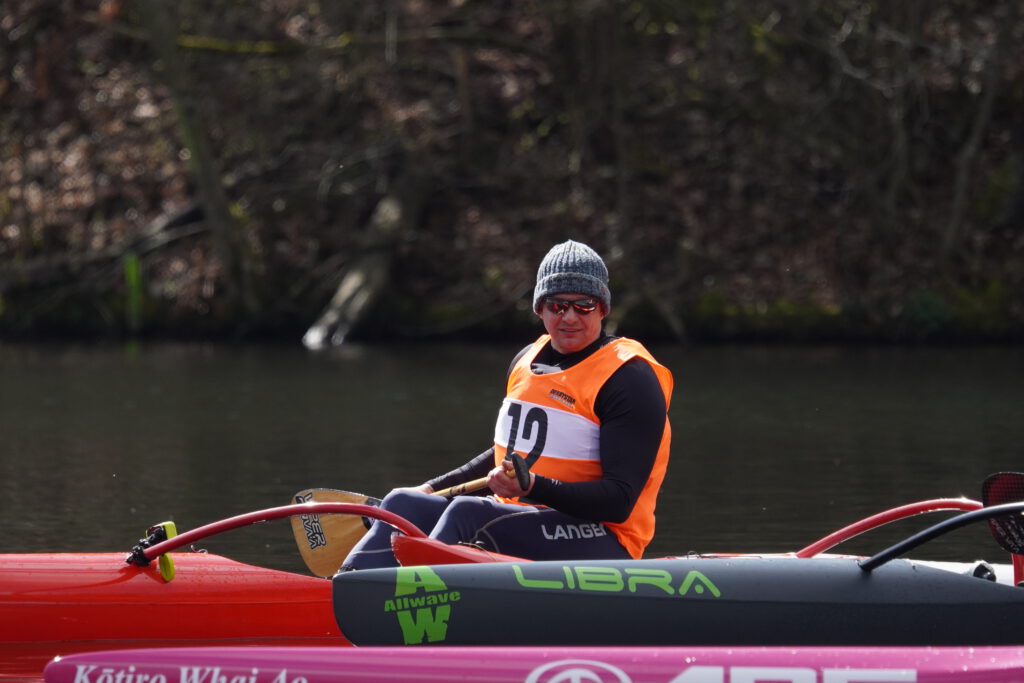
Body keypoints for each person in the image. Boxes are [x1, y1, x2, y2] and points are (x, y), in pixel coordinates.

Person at [341, 239, 672, 569]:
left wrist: (532, 486)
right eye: (557, 305)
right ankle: (343, 587)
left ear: (603, 308)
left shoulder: (630, 378)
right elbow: (510, 455)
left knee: (470, 516)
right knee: (402, 504)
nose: (570, 317)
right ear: (539, 308)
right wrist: (431, 488)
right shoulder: (525, 361)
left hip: (605, 536)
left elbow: (619, 502)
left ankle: (411, 592)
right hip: (518, 518)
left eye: (583, 305)